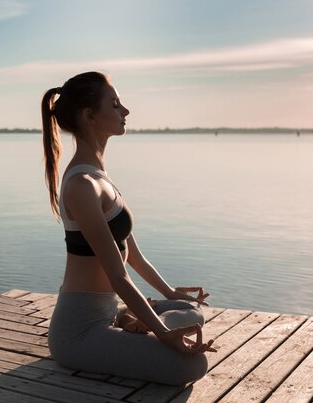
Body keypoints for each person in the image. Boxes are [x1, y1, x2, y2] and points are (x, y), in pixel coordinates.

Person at [41, 71, 216, 386]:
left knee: (190, 310)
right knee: (191, 366)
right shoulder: (82, 185)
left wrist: (169, 292)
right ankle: (135, 321)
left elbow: (133, 256)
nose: (126, 112)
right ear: (90, 115)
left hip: (109, 310)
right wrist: (164, 335)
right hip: (79, 332)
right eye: (115, 104)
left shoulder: (99, 175)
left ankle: (129, 318)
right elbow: (118, 276)